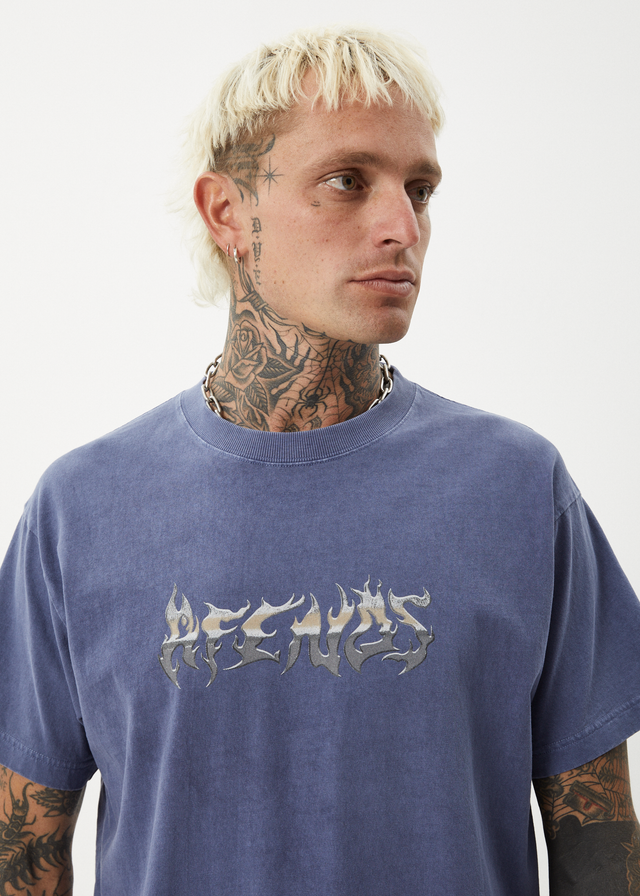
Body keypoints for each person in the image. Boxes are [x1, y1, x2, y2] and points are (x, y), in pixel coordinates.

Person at [1, 25, 639, 896]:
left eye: (420, 190)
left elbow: (601, 852)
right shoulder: (82, 511)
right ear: (228, 212)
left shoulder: (520, 490)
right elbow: (23, 857)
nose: (402, 227)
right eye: (347, 182)